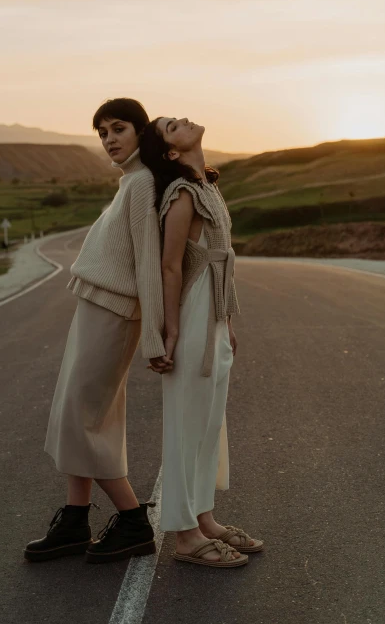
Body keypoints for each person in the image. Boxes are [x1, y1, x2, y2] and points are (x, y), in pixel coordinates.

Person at [25, 98, 166, 564]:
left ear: (141, 131)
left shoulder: (143, 183)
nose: (109, 139)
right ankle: (75, 518)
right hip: (94, 311)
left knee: (84, 419)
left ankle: (132, 522)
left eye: (118, 128)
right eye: (101, 132)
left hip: (114, 316)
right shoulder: (129, 182)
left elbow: (150, 261)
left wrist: (154, 337)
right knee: (77, 415)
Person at [139, 115, 264, 568]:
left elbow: (220, 259)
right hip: (190, 315)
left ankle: (205, 519)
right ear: (171, 153)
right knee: (186, 424)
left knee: (210, 422)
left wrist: (225, 319)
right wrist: (170, 330)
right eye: (171, 126)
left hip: (212, 315)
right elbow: (171, 267)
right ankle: (186, 537)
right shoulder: (182, 194)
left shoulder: (207, 186)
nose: (183, 119)